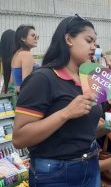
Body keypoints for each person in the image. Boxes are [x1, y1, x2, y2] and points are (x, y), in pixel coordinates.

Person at [12, 15, 104, 187]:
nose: (94, 47)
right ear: (68, 39)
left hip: (90, 164)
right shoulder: (42, 79)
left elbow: (77, 132)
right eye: (89, 40)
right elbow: (19, 138)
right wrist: (65, 113)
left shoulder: (88, 79)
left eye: (95, 42)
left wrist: (106, 126)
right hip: (55, 173)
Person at [11, 25, 39, 93]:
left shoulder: (17, 53)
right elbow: (26, 84)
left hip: (20, 95)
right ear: (23, 38)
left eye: (37, 36)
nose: (36, 39)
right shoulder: (26, 55)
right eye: (33, 36)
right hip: (28, 97)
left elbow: (13, 80)